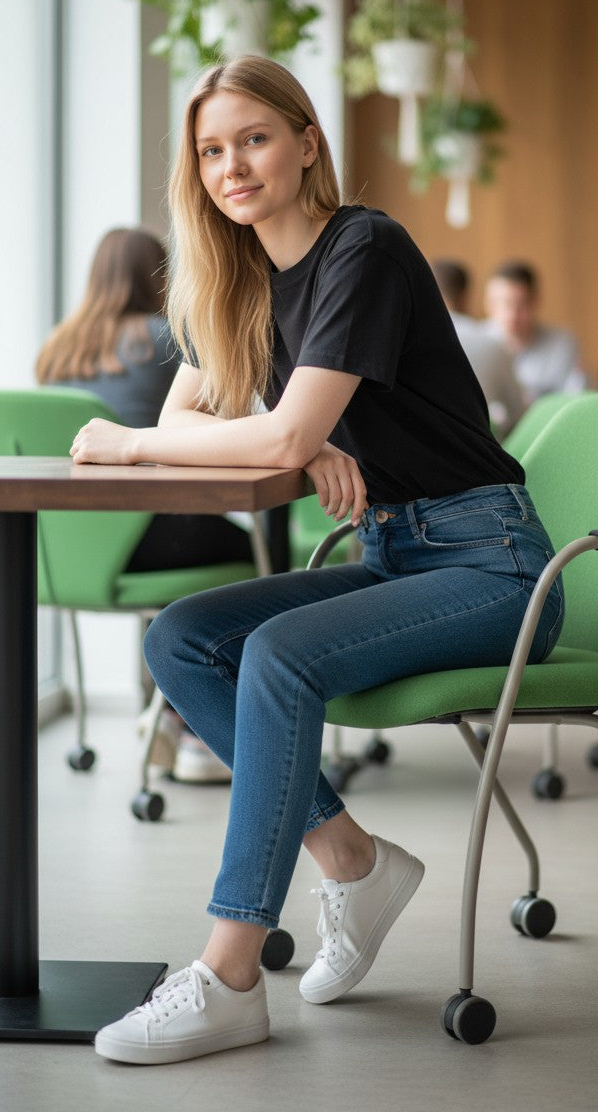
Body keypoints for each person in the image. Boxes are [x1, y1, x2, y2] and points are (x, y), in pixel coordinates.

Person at [69, 55, 565, 1067]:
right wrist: (303, 438)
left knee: (278, 657)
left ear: (306, 144)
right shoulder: (240, 278)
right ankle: (351, 859)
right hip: (394, 551)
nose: (232, 166)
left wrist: (264, 437)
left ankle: (229, 977)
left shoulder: (361, 248)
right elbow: (187, 417)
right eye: (211, 150)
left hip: (494, 566)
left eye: (253, 139)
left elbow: (219, 435)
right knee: (184, 639)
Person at [36, 226, 256, 783]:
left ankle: (164, 712)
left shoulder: (57, 349)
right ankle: (194, 725)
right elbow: (221, 429)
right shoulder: (165, 339)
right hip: (151, 539)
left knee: (188, 549)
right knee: (253, 558)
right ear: (160, 278)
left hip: (60, 557)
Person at [431, 258, 525, 437]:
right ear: (466, 296)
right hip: (478, 445)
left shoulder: (404, 341)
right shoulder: (493, 343)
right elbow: (518, 413)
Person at [484, 259, 587, 404]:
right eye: (504, 303)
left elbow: (576, 397)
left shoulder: (562, 344)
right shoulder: (478, 343)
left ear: (535, 301)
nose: (512, 315)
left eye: (521, 304)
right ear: (489, 304)